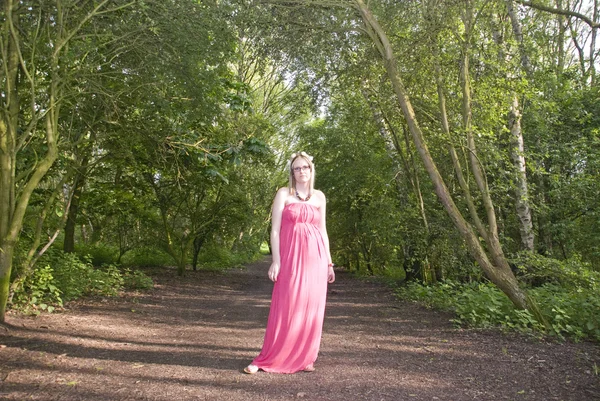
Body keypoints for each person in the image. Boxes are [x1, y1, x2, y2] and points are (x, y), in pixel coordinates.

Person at [244, 151, 335, 374]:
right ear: (292, 172)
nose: (301, 171)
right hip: (291, 257)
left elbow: (323, 231)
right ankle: (268, 358)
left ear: (311, 170)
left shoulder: (320, 197)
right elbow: (274, 230)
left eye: (305, 167)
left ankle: (305, 357)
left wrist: (329, 264)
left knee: (311, 307)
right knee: (287, 305)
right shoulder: (284, 194)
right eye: (297, 168)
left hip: (316, 258)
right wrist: (276, 260)